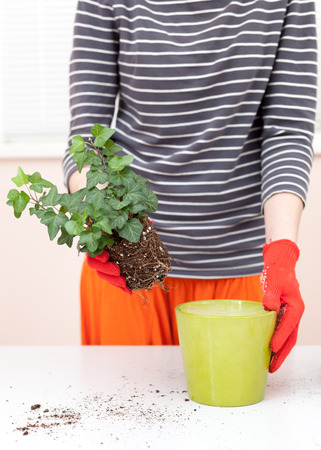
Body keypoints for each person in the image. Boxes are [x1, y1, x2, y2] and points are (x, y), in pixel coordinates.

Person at [63, 0, 318, 372]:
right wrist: (104, 223)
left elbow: (287, 133)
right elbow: (87, 136)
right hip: (128, 267)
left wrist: (282, 253)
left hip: (242, 270)